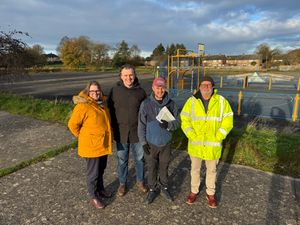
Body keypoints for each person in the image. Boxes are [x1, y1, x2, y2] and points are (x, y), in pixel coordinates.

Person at [180, 76, 233, 208]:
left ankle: (210, 193)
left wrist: (219, 135)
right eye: (203, 85)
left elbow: (228, 120)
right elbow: (184, 119)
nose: (206, 87)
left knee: (212, 171)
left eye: (208, 85)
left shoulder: (221, 101)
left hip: (213, 145)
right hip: (196, 144)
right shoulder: (191, 101)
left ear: (213, 87)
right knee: (195, 169)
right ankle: (194, 191)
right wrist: (191, 135)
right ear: (199, 87)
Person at [68, 81, 113, 209]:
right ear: (88, 92)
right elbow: (72, 125)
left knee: (101, 169)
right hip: (91, 146)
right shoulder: (83, 106)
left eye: (97, 90)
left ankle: (100, 189)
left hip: (103, 145)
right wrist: (83, 137)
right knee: (92, 173)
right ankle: (93, 197)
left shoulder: (102, 103)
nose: (95, 93)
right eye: (92, 91)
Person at [107, 64, 148, 196]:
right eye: (125, 75)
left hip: (138, 133)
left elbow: (147, 112)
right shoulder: (114, 91)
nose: (128, 78)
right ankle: (122, 183)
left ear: (135, 75)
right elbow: (108, 110)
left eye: (131, 75)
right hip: (121, 133)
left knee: (140, 159)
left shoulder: (141, 92)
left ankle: (140, 181)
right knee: (122, 160)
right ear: (121, 76)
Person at [138, 77, 180, 204]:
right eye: (157, 87)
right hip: (151, 143)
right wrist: (143, 143)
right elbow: (141, 125)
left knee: (164, 166)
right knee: (152, 167)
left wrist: (168, 125)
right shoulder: (145, 104)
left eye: (162, 87)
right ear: (153, 88)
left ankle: (164, 187)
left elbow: (178, 123)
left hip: (166, 143)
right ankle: (152, 189)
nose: (160, 90)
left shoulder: (172, 104)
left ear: (165, 88)